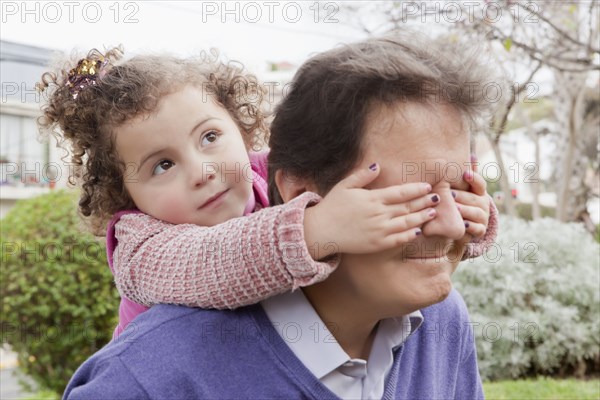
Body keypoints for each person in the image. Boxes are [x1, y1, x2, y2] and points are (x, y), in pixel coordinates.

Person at [63, 32, 498, 399]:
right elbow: (214, 262)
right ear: (125, 193)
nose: (203, 171)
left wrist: (470, 220)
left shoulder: (442, 325)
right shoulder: (143, 248)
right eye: (162, 165)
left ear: (242, 129)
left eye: (211, 137)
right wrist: (318, 228)